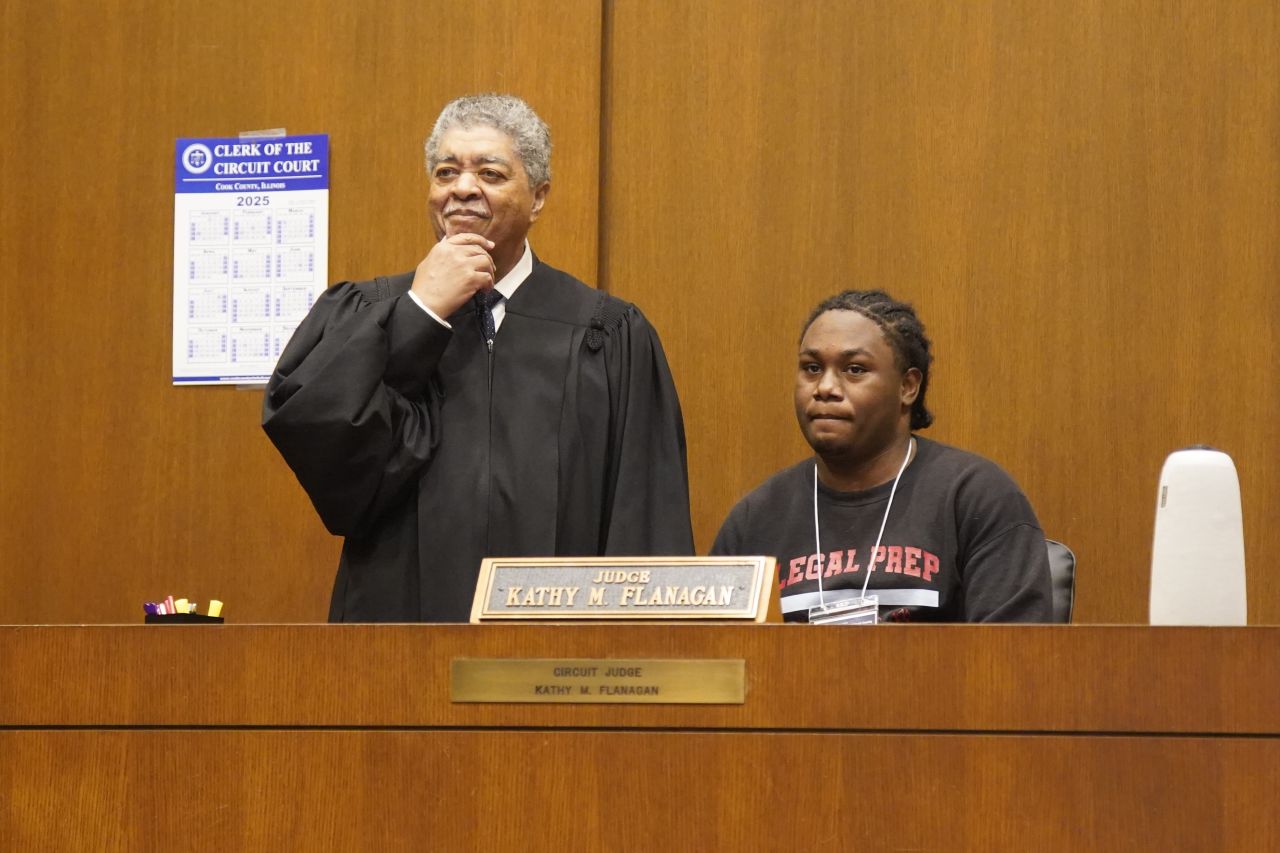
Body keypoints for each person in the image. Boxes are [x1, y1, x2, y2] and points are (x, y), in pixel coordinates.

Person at [263, 94, 694, 622]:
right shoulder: (369, 314)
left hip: (556, 648)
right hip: (396, 639)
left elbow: (644, 516)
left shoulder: (607, 333)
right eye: (446, 172)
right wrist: (420, 313)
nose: (463, 188)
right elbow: (321, 445)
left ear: (538, 197)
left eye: (490, 173)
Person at [711, 290, 1051, 623]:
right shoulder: (755, 519)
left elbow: (1010, 654)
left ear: (908, 387)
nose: (825, 387)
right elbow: (713, 652)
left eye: (854, 369)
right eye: (812, 368)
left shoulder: (976, 498)